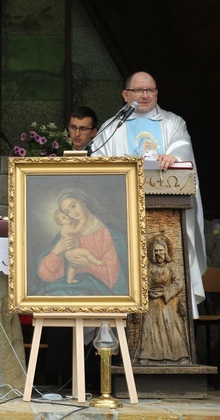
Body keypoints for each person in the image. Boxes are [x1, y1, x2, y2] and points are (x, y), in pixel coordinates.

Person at [92, 71, 206, 316]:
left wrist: (173, 155)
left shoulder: (173, 122)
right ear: (125, 95)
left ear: (157, 93)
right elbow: (97, 162)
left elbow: (181, 146)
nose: (144, 95)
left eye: (150, 90)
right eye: (138, 91)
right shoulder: (112, 127)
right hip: (124, 216)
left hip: (166, 213)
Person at [36, 188, 128, 296]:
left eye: (73, 205)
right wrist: (56, 251)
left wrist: (89, 265)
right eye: (67, 212)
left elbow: (115, 279)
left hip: (97, 291)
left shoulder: (109, 234)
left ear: (83, 202)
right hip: (67, 291)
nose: (72, 213)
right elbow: (45, 275)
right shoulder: (67, 234)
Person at [134, 233, 190, 364]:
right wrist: (148, 291)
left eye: (161, 250)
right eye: (156, 250)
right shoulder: (149, 266)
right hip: (152, 301)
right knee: (149, 327)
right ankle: (147, 355)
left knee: (171, 325)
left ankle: (180, 356)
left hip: (168, 301)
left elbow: (179, 283)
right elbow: (142, 282)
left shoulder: (172, 266)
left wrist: (164, 292)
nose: (159, 253)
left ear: (166, 251)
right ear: (152, 252)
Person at [52, 209, 105, 284]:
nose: (67, 218)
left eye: (67, 216)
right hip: (71, 250)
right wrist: (81, 222)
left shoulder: (68, 225)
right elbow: (76, 230)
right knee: (85, 252)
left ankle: (70, 280)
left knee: (72, 266)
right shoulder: (66, 227)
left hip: (70, 251)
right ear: (60, 222)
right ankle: (97, 261)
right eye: (64, 217)